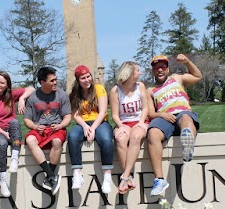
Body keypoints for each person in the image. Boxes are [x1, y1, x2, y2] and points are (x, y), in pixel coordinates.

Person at [147, 54, 202, 196]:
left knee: (186, 119)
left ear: (167, 69)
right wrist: (162, 115)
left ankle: (187, 145)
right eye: (157, 67)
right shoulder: (150, 90)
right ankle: (159, 180)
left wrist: (187, 62)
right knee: (153, 133)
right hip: (165, 117)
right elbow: (150, 113)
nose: (160, 70)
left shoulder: (177, 78)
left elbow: (197, 76)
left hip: (182, 112)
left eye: (163, 67)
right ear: (153, 71)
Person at [0, 71, 35, 197]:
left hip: (11, 131)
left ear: (7, 85)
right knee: (2, 143)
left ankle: (15, 159)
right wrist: (3, 133)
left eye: (2, 83)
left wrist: (21, 98)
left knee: (15, 122)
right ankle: (3, 179)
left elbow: (31, 88)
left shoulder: (10, 95)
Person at [23, 67, 72, 195]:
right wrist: (34, 127)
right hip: (40, 129)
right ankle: (51, 175)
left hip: (57, 128)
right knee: (30, 139)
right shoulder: (33, 97)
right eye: (52, 81)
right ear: (42, 82)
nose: (55, 82)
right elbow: (27, 120)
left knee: (57, 141)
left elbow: (68, 116)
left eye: (56, 79)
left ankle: (50, 176)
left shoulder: (62, 95)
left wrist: (61, 125)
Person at [67, 65, 114, 193]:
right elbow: (75, 114)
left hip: (100, 121)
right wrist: (85, 126)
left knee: (105, 139)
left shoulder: (99, 88)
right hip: (83, 123)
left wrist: (92, 128)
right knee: (72, 137)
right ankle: (77, 173)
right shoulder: (75, 94)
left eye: (88, 76)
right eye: (83, 78)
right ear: (78, 80)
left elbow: (103, 111)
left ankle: (107, 176)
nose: (87, 80)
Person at [109, 61, 149, 194]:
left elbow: (145, 108)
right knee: (120, 139)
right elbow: (114, 115)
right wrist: (121, 126)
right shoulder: (115, 90)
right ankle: (129, 177)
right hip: (123, 122)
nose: (140, 73)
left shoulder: (140, 86)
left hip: (139, 120)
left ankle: (125, 176)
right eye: (138, 71)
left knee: (136, 136)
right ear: (130, 74)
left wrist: (141, 122)